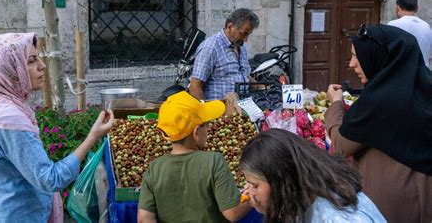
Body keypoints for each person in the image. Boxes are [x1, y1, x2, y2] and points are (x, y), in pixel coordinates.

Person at [0, 33, 115, 222]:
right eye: (32, 61)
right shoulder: (7, 119)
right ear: (9, 69)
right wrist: (93, 136)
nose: (42, 65)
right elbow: (50, 179)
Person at [325, 24, 432, 223]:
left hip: (394, 204)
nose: (352, 64)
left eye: (357, 56)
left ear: (378, 57)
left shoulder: (381, 101)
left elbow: (340, 145)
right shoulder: (423, 86)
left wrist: (336, 104)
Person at [137, 91, 252, 223]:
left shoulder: (154, 168)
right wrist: (252, 196)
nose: (208, 128)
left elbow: (143, 219)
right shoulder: (213, 161)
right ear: (196, 133)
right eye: (206, 124)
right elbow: (232, 213)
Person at [239, 128, 386, 223]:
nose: (247, 192)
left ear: (282, 180)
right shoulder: (307, 196)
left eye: (255, 185)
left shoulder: (336, 218)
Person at [189, 8, 259, 100]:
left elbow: (244, 75)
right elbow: (195, 87)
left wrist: (261, 86)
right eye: (243, 33)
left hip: (241, 109)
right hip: (219, 110)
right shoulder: (210, 47)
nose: (246, 39)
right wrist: (205, 111)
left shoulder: (240, 47)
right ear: (230, 27)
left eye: (248, 34)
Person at [387, 0, 431, 68]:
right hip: (423, 73)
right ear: (417, 8)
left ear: (398, 7)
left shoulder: (393, 24)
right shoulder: (426, 26)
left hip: (401, 72)